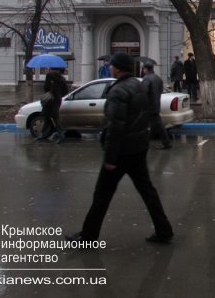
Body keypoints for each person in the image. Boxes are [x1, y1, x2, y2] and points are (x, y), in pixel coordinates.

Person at [66, 52, 174, 245]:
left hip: (121, 152)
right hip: (138, 148)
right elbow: (143, 116)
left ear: (117, 68)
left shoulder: (118, 91)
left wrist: (109, 157)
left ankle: (88, 236)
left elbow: (115, 126)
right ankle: (164, 230)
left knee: (102, 194)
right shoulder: (138, 85)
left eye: (112, 65)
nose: (109, 66)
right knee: (147, 191)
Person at [142, 61, 172, 150]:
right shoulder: (158, 78)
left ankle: (142, 144)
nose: (143, 70)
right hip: (156, 105)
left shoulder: (146, 79)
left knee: (142, 125)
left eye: (143, 68)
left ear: (146, 69)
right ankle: (165, 142)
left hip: (147, 107)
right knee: (157, 125)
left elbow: (144, 93)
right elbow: (160, 91)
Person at [37, 67, 68, 142]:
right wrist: (59, 95)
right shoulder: (62, 79)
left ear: (52, 69)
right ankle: (44, 134)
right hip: (57, 100)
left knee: (49, 117)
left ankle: (61, 134)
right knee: (53, 116)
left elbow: (46, 88)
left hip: (50, 100)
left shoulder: (49, 76)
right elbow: (65, 91)